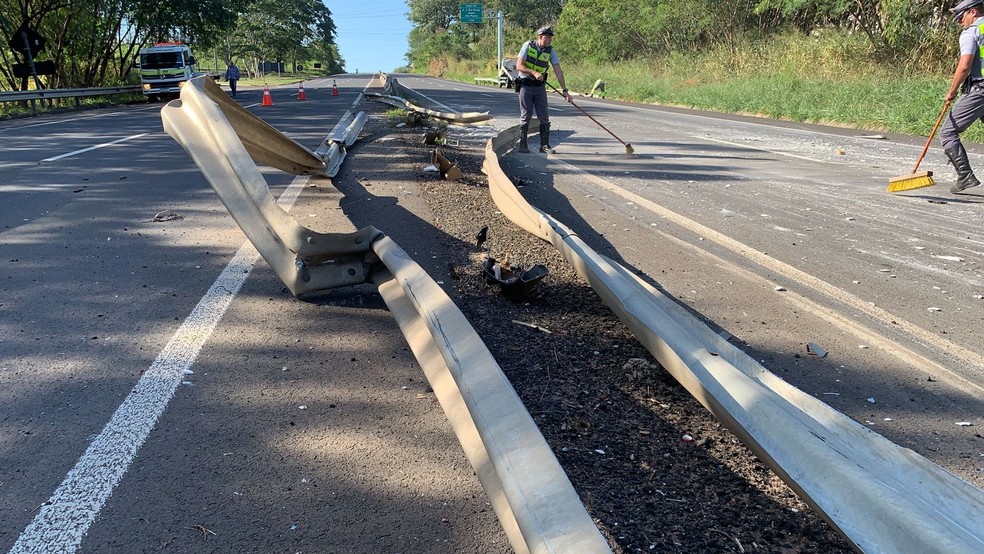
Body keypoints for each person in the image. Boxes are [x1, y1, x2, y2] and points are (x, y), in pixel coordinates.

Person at [941, 0, 984, 193]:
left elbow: (965, 65)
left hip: (980, 90)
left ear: (972, 12)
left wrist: (952, 91)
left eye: (961, 17)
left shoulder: (972, 32)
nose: (960, 22)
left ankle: (965, 175)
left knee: (948, 132)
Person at [515, 26, 571, 153]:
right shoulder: (528, 46)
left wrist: (564, 90)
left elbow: (558, 70)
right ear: (540, 37)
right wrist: (534, 72)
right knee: (526, 115)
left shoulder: (551, 51)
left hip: (539, 87)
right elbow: (519, 66)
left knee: (544, 116)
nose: (550, 39)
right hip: (525, 85)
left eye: (551, 37)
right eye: (548, 37)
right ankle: (523, 145)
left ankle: (544, 145)